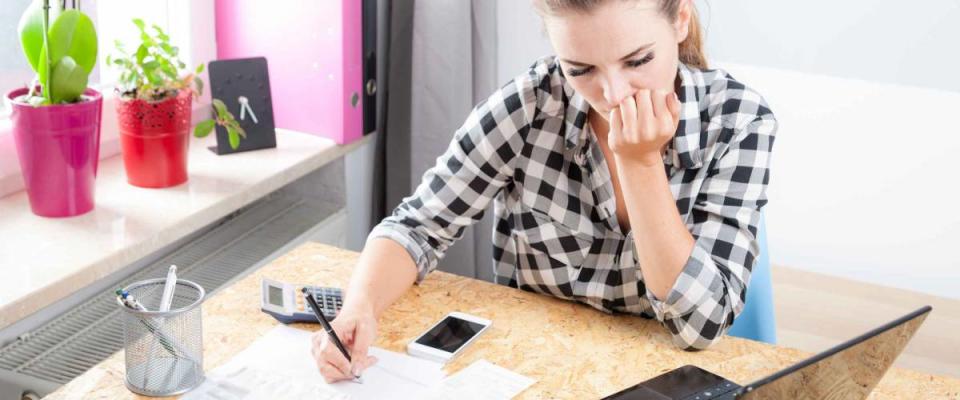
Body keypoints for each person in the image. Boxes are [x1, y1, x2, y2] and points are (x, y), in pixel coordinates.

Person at [311, 0, 777, 383]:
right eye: (581, 69)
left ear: (680, 19)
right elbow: (416, 227)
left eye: (637, 61)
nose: (613, 93)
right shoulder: (530, 105)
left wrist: (641, 163)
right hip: (533, 376)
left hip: (665, 380)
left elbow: (700, 324)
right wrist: (359, 308)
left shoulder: (740, 122)